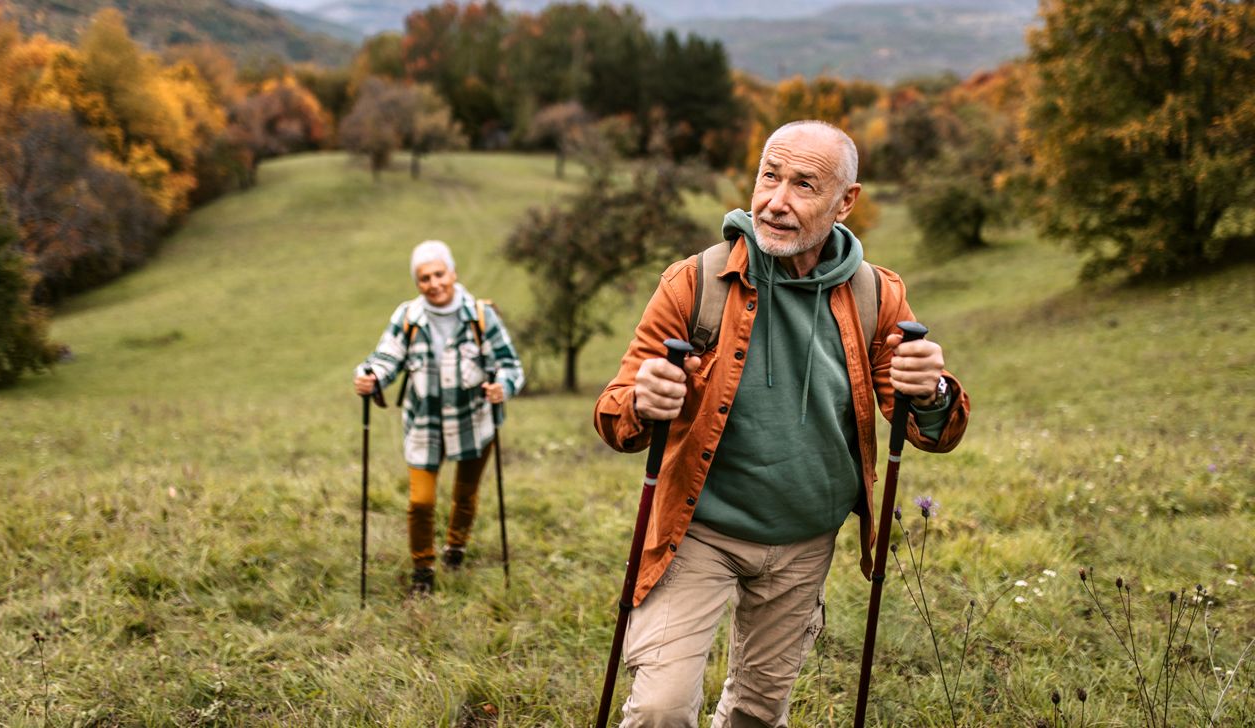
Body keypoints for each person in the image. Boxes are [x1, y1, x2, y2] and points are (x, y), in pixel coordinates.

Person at [593, 120, 971, 727]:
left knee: (758, 714)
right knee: (660, 711)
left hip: (804, 541)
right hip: (700, 532)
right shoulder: (695, 283)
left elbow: (929, 427)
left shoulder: (877, 294)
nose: (776, 201)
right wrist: (643, 399)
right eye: (769, 176)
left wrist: (931, 390)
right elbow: (614, 414)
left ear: (845, 201)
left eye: (804, 184)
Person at [354, 240, 524, 595]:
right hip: (424, 424)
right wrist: (371, 376)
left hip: (474, 421)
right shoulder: (408, 317)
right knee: (420, 501)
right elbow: (386, 357)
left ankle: (456, 548)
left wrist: (502, 387)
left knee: (465, 493)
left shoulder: (480, 315)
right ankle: (423, 569)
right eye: (424, 278)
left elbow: (510, 365)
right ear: (417, 283)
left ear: (453, 273)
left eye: (439, 274)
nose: (433, 283)